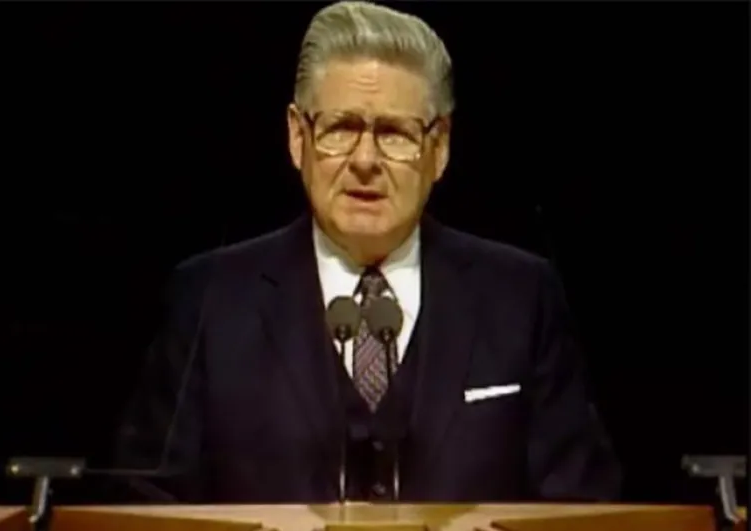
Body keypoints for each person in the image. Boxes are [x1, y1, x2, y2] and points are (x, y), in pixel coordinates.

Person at [112, 0, 621, 504]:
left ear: (439, 147)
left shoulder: (520, 298)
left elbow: (580, 510)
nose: (364, 161)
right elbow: (148, 506)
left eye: (395, 134)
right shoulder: (210, 299)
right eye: (341, 129)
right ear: (298, 137)